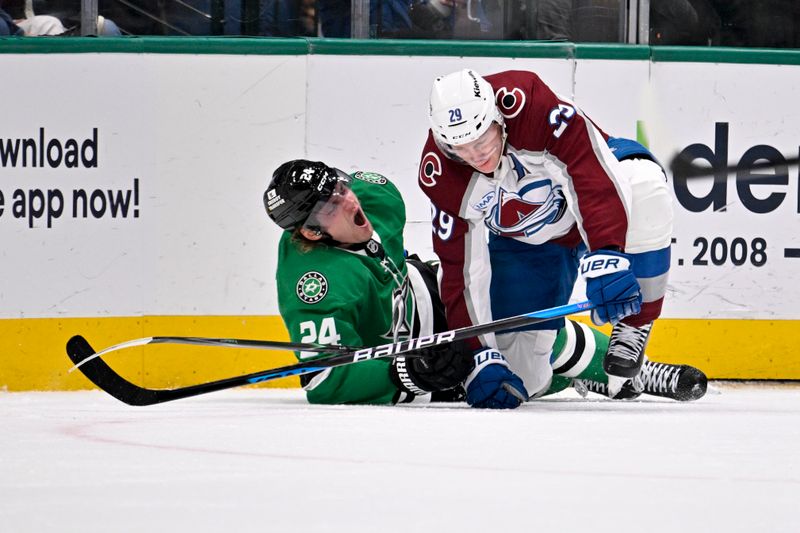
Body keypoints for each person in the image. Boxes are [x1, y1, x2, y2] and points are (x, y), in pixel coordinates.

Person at [264, 159, 706, 406]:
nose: (347, 201)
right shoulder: (314, 284)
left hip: (432, 294)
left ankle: (626, 374)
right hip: (416, 353)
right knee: (516, 381)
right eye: (327, 208)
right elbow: (324, 380)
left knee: (522, 323)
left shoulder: (376, 195)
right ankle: (579, 379)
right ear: (310, 233)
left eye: (340, 188)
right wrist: (407, 372)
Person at [418, 68, 676, 409]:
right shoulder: (440, 172)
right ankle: (580, 365)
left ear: (498, 116)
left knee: (646, 185)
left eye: (482, 140)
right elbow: (462, 272)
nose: (477, 155)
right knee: (518, 380)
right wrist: (479, 355)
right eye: (463, 149)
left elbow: (588, 171)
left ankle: (634, 324)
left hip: (601, 194)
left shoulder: (531, 105)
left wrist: (608, 250)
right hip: (531, 245)